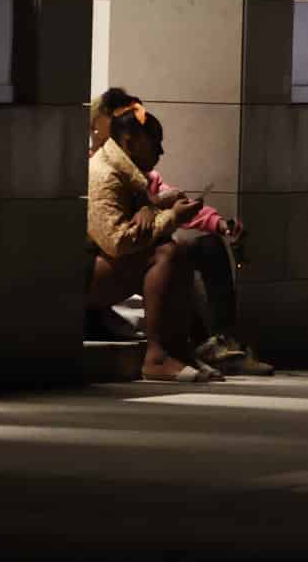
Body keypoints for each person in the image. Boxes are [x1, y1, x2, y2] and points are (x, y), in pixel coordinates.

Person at [90, 91, 268, 376]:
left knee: (190, 248)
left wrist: (218, 224)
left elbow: (175, 204)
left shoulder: (137, 174)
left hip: (117, 257)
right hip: (99, 265)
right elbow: (116, 239)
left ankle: (205, 344)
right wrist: (163, 211)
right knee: (169, 253)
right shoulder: (104, 171)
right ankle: (166, 353)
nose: (160, 151)